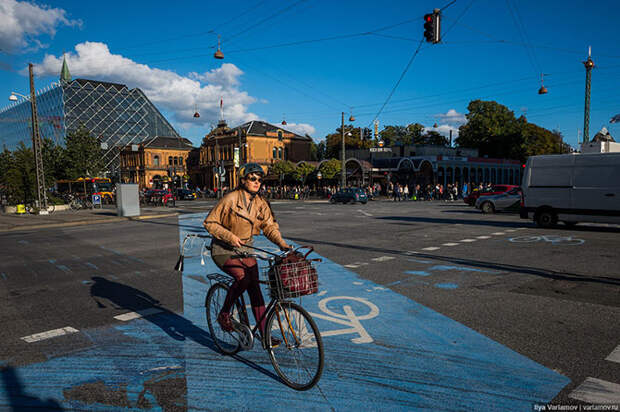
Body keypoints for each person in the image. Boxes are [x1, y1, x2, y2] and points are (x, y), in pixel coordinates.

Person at [203, 162, 290, 344]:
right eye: (252, 179)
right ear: (243, 180)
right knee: (243, 277)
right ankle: (224, 314)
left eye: (259, 179)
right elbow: (210, 223)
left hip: (246, 249)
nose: (256, 182)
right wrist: (230, 236)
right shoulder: (231, 199)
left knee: (255, 289)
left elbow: (269, 227)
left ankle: (265, 334)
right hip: (223, 249)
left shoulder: (260, 203)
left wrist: (282, 243)